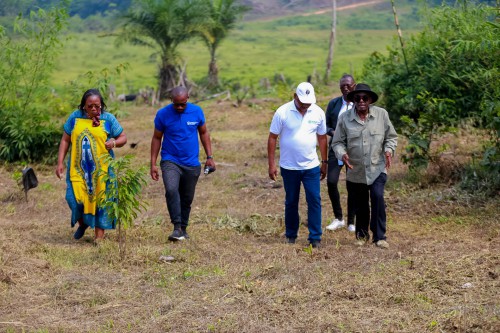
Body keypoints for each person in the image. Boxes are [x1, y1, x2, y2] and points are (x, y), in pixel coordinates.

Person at [55, 89, 127, 243]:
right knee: (72, 199)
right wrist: (60, 162)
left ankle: (99, 237)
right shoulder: (75, 118)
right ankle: (82, 223)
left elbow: (123, 138)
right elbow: (65, 140)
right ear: (83, 106)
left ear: (101, 105)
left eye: (97, 106)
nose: (94, 109)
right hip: (78, 169)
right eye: (90, 106)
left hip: (103, 170)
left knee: (101, 201)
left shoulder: (108, 119)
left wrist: (113, 142)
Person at [331, 83, 398, 249]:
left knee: (377, 197)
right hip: (356, 169)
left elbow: (391, 137)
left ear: (370, 100)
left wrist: (389, 150)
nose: (361, 101)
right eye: (357, 98)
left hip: (377, 167)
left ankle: (379, 237)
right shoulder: (344, 118)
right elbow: (337, 142)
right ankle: (361, 235)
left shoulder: (381, 115)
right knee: (360, 203)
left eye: (365, 98)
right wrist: (342, 154)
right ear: (353, 100)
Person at [150, 86, 215, 241]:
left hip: (192, 163)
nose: (179, 107)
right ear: (171, 100)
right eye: (176, 104)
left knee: (187, 197)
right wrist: (153, 163)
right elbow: (157, 138)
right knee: (171, 190)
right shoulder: (163, 114)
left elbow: (204, 132)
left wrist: (209, 156)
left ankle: (183, 229)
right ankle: (177, 227)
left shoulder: (197, 111)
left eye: (182, 104)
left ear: (188, 99)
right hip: (170, 160)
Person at [268, 82, 328, 248]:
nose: (305, 106)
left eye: (308, 103)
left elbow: (322, 138)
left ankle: (315, 237)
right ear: (295, 97)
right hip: (289, 167)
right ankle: (291, 235)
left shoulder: (318, 112)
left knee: (314, 199)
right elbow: (272, 137)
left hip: (311, 166)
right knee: (291, 201)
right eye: (302, 103)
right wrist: (271, 164)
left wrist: (324, 161)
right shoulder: (282, 112)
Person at [324, 74, 357, 232]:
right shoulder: (334, 104)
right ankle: (338, 218)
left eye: (348, 85)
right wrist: (333, 131)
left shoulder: (359, 103)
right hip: (335, 148)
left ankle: (351, 221)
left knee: (353, 184)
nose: (345, 87)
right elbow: (326, 126)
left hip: (354, 149)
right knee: (331, 181)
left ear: (354, 86)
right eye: (342, 85)